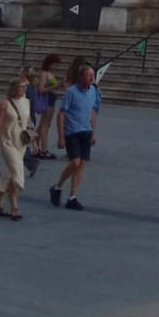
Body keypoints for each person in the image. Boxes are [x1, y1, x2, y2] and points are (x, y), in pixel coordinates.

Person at [49, 64, 100, 211]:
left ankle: (72, 196)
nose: (92, 78)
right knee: (75, 162)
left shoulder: (93, 91)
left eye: (93, 75)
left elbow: (92, 112)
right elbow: (61, 114)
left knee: (82, 164)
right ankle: (57, 187)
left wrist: (94, 132)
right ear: (81, 77)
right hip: (72, 131)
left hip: (86, 131)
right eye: (89, 75)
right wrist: (60, 136)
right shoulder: (71, 92)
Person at [0, 76, 32, 220]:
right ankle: (14, 207)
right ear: (13, 88)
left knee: (8, 173)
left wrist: (35, 142)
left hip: (21, 143)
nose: (24, 89)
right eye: (21, 86)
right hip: (7, 143)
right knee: (17, 173)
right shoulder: (5, 104)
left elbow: (29, 123)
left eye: (25, 87)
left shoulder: (27, 102)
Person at [32, 54, 63, 159]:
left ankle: (36, 147)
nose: (56, 67)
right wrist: (56, 85)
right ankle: (44, 150)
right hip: (47, 100)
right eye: (55, 64)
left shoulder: (49, 73)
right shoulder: (44, 74)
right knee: (45, 125)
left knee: (42, 125)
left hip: (51, 99)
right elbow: (41, 89)